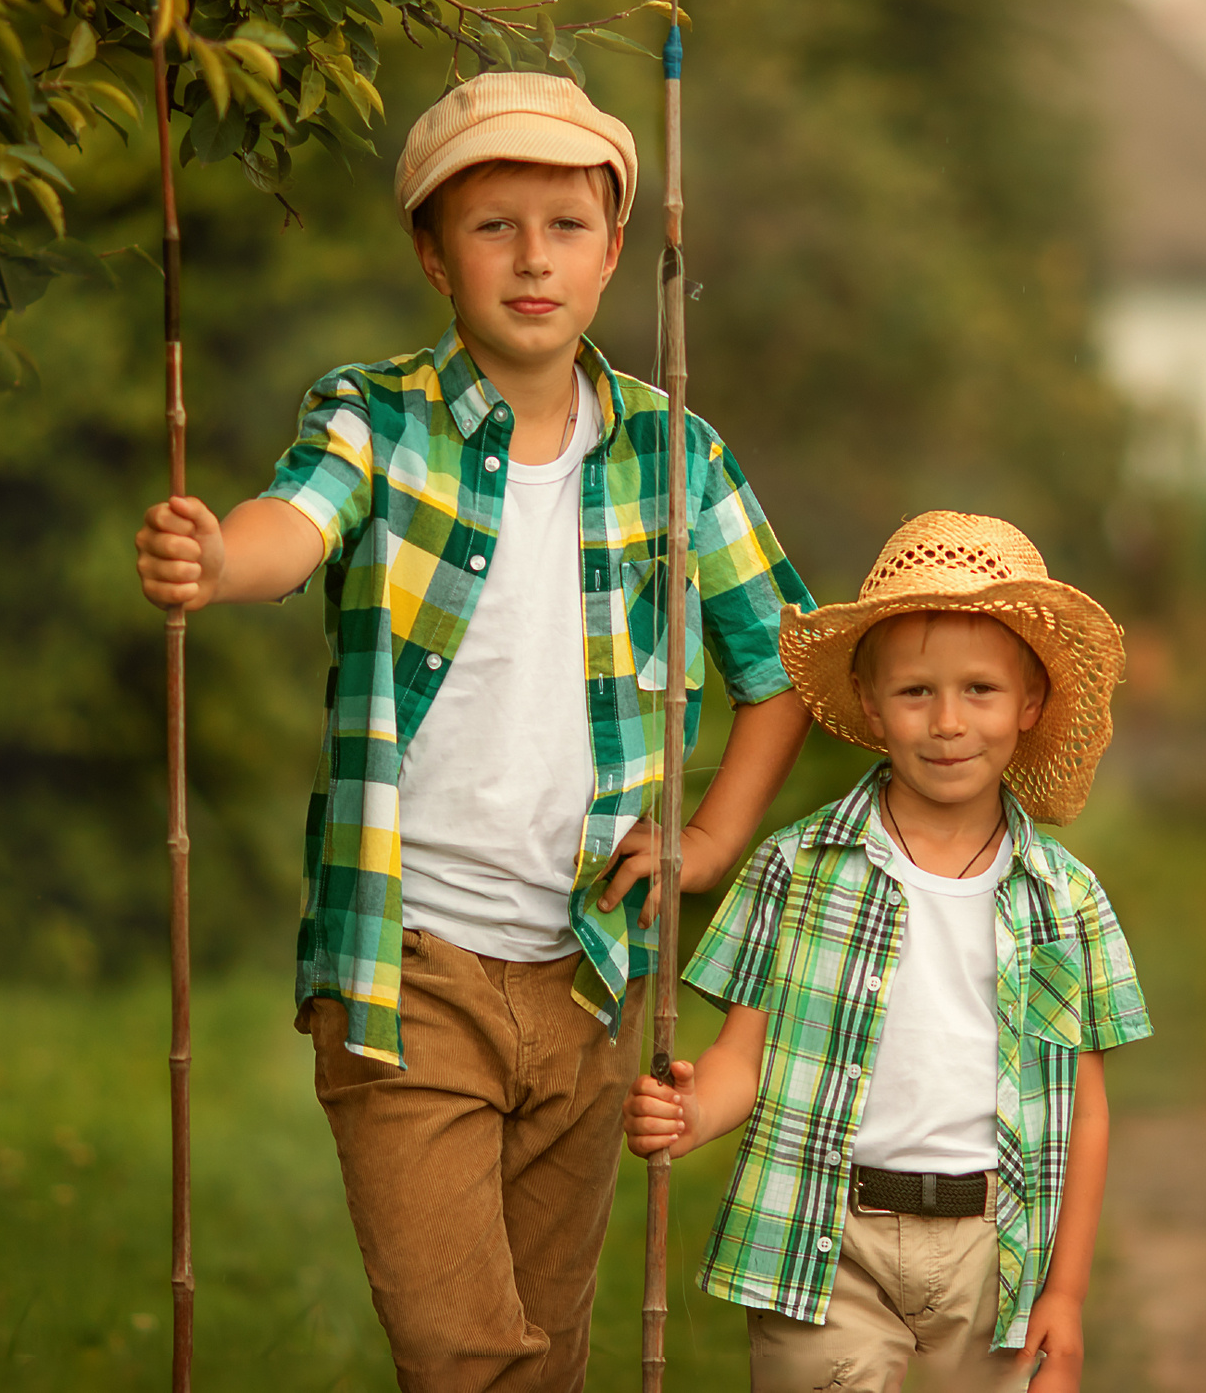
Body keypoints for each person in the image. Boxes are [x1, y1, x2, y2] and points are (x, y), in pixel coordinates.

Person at [134, 71, 815, 1392]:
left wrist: (711, 838)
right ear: (433, 252)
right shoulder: (374, 418)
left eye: (565, 226)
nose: (532, 258)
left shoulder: (676, 455)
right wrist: (215, 559)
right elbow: (295, 526)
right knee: (466, 1356)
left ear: (613, 251)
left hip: (592, 973)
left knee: (543, 1357)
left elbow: (780, 666)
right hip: (409, 969)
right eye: (494, 225)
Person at [623, 512, 1149, 1392]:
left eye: (980, 689)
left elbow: (1084, 1113)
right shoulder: (797, 868)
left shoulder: (1065, 900)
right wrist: (693, 1111)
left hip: (996, 1249)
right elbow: (742, 1057)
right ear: (870, 702)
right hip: (826, 1244)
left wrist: (1066, 1294)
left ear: (1029, 702)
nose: (947, 721)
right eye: (915, 692)